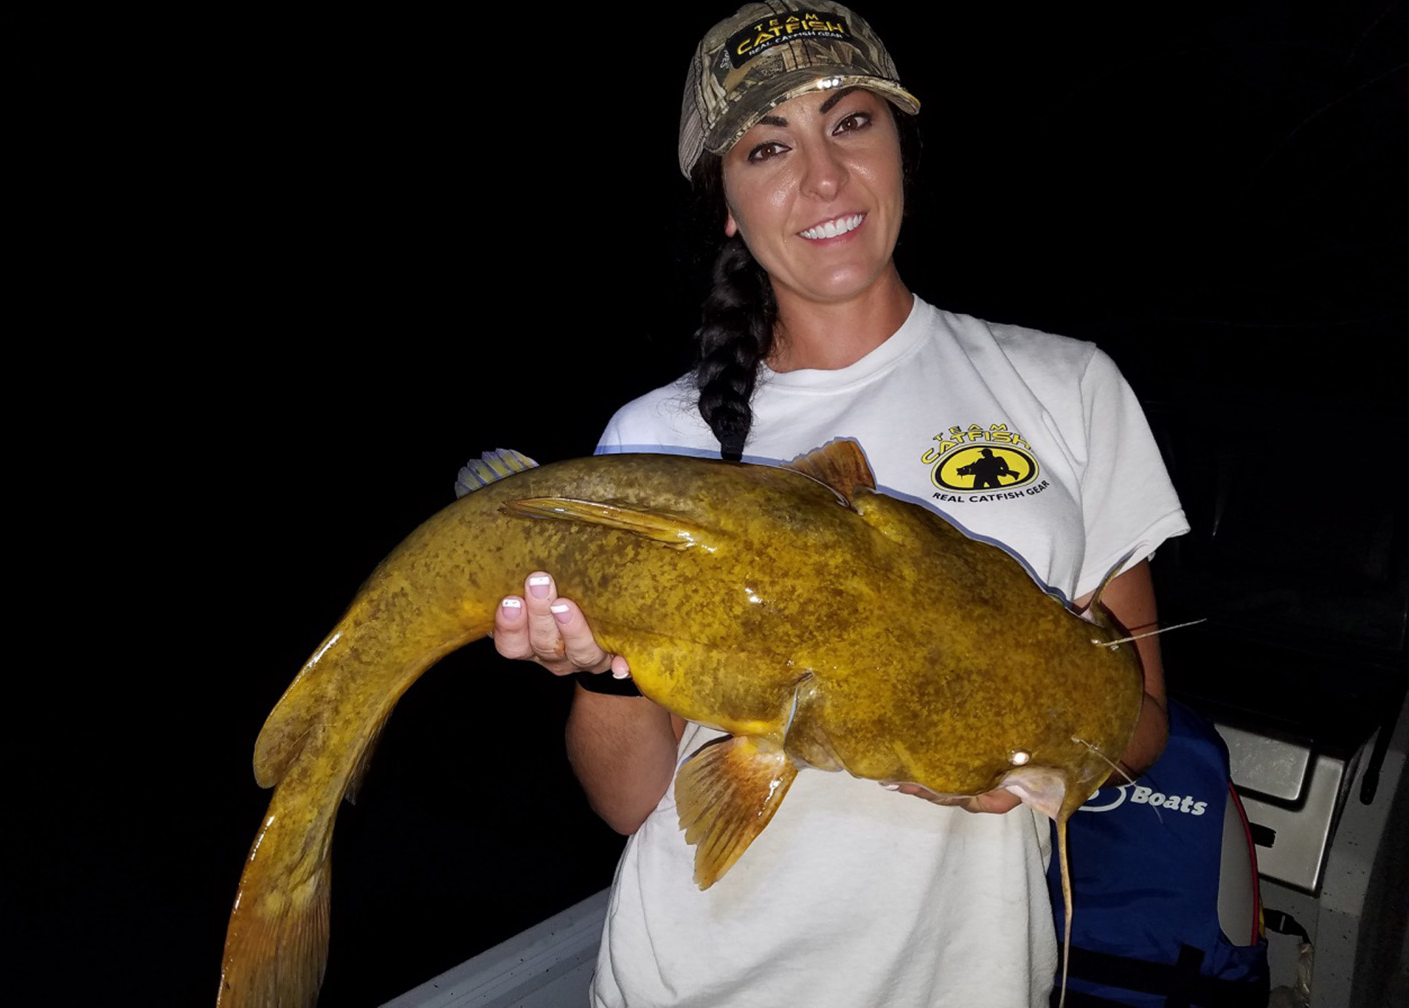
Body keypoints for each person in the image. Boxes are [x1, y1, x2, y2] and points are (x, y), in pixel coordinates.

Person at [493, 3, 1187, 1006]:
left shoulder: (1066, 388)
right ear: (727, 203)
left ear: (899, 145)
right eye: (770, 146)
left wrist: (1038, 758)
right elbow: (634, 801)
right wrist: (604, 673)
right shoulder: (660, 441)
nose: (823, 178)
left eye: (851, 122)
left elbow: (1145, 726)